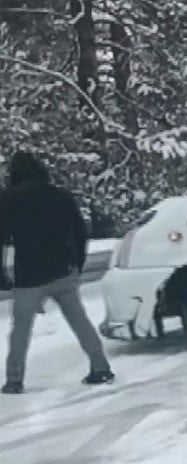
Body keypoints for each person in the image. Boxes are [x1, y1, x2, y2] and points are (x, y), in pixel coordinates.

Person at [0, 151, 114, 395]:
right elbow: (80, 231)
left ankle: (14, 379)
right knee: (79, 321)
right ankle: (100, 366)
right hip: (62, 272)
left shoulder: (8, 200)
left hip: (29, 276)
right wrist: (77, 263)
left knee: (20, 328)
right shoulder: (60, 196)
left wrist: (2, 275)